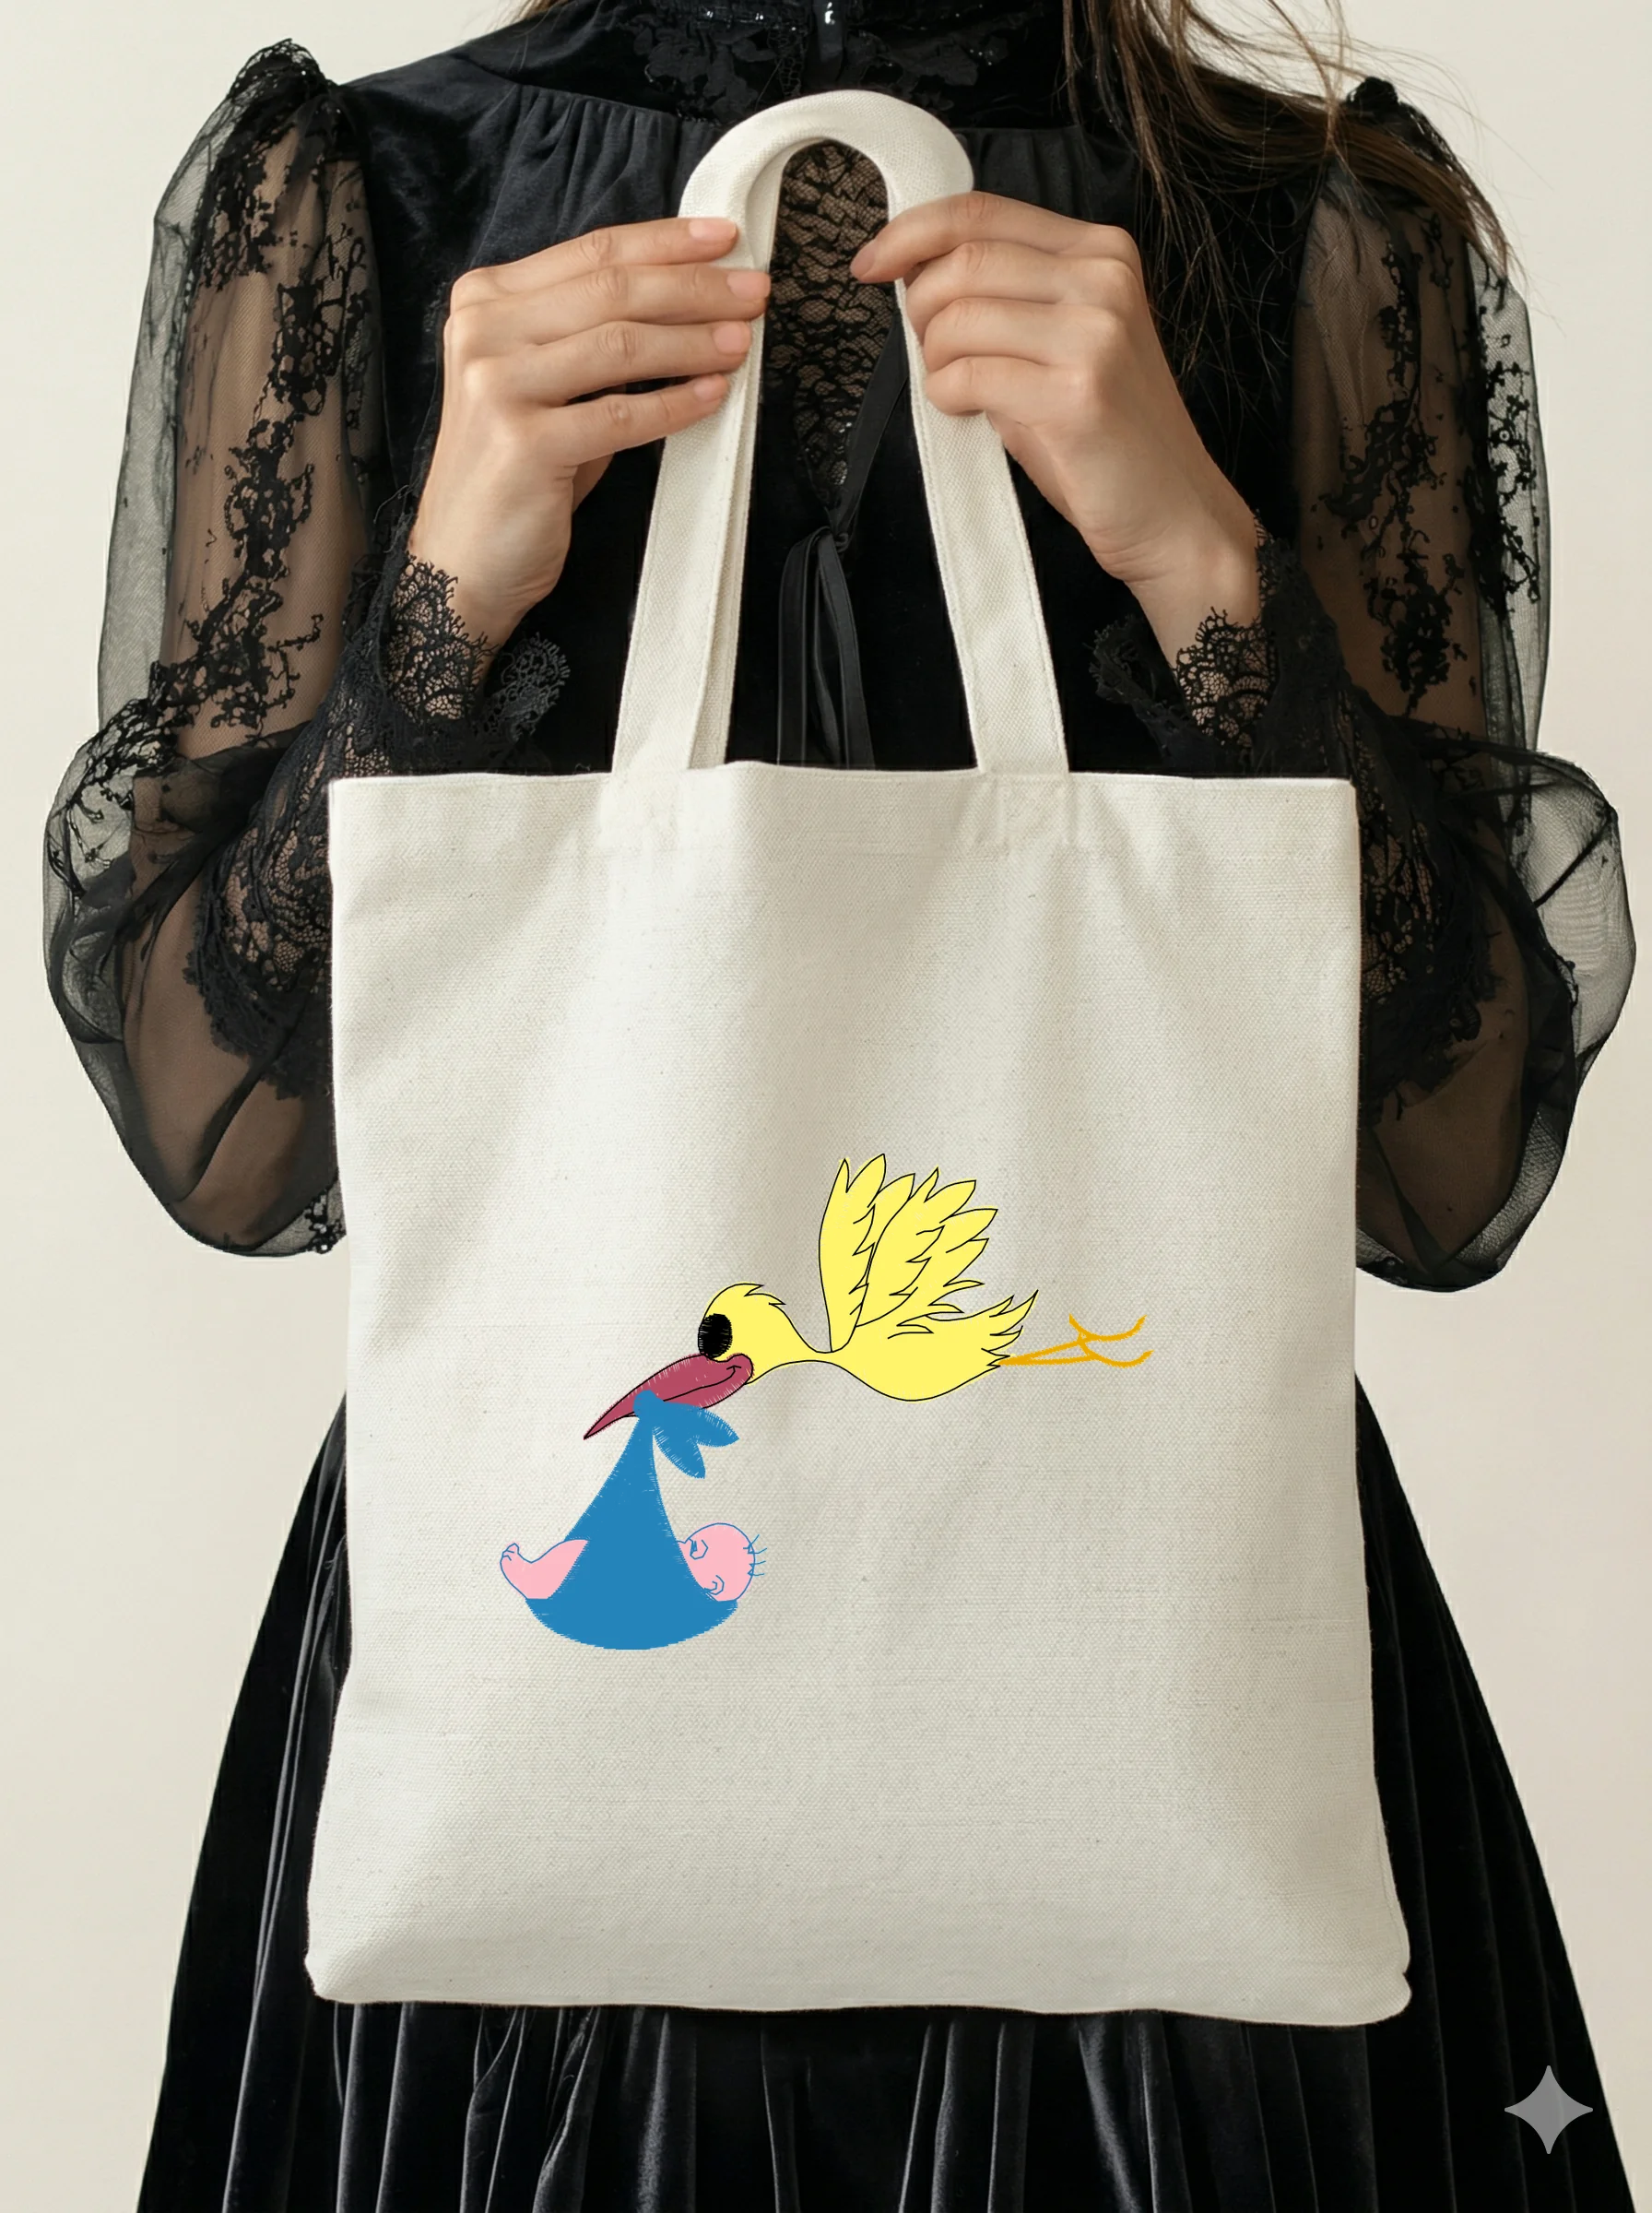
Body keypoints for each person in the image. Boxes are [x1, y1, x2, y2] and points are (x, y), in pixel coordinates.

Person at [42, 0, 1637, 2205]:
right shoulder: (368, 202)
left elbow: (1434, 1171)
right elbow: (228, 1139)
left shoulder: (1315, 226)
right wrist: (442, 601)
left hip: (1145, 1636)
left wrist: (1203, 570)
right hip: (549, 1710)